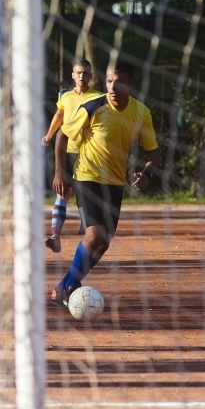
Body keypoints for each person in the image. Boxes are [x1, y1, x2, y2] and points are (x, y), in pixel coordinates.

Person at [51, 60, 160, 307]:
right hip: (87, 176)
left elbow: (153, 152)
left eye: (118, 81)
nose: (112, 86)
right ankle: (70, 288)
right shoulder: (92, 106)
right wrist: (59, 171)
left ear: (129, 84)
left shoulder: (141, 112)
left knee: (103, 244)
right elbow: (63, 135)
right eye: (109, 81)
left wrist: (147, 174)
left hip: (115, 183)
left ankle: (63, 285)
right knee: (95, 235)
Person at [42, 59, 102, 253]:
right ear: (73, 75)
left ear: (91, 76)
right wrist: (50, 135)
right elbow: (59, 115)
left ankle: (89, 237)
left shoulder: (99, 98)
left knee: (85, 196)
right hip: (66, 152)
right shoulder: (65, 96)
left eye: (86, 73)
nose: (82, 76)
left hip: (88, 154)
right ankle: (55, 237)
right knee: (62, 193)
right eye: (79, 72)